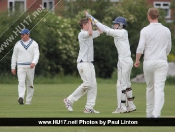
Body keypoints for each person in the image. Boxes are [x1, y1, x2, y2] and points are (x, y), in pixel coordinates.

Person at [86, 12, 136, 113]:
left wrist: (91, 18)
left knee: (121, 84)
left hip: (124, 61)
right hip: (127, 60)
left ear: (120, 25)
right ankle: (130, 105)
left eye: (116, 24)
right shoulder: (121, 33)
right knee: (126, 83)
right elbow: (104, 26)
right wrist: (93, 19)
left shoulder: (121, 32)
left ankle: (121, 107)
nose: (114, 25)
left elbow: (105, 29)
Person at [134, 8, 172, 118]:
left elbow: (140, 47)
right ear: (158, 16)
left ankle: (149, 114)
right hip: (161, 61)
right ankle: (156, 114)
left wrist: (137, 60)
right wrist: (163, 55)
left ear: (148, 16)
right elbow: (168, 47)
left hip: (148, 62)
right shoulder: (166, 30)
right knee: (159, 88)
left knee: (150, 87)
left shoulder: (145, 30)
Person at [63, 18, 102, 113]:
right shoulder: (82, 34)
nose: (90, 26)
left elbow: (100, 31)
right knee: (87, 84)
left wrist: (94, 23)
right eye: (88, 24)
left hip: (90, 63)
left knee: (93, 85)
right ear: (84, 25)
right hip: (83, 63)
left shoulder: (90, 34)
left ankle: (89, 108)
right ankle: (69, 100)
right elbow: (89, 33)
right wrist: (90, 21)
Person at [11, 28, 40, 105]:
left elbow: (37, 54)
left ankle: (28, 101)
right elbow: (14, 56)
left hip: (30, 66)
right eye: (21, 34)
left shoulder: (34, 44)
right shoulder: (17, 44)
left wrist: (34, 62)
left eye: (23, 34)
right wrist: (13, 67)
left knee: (30, 84)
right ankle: (21, 97)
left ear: (28, 35)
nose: (22, 36)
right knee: (21, 82)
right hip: (20, 66)